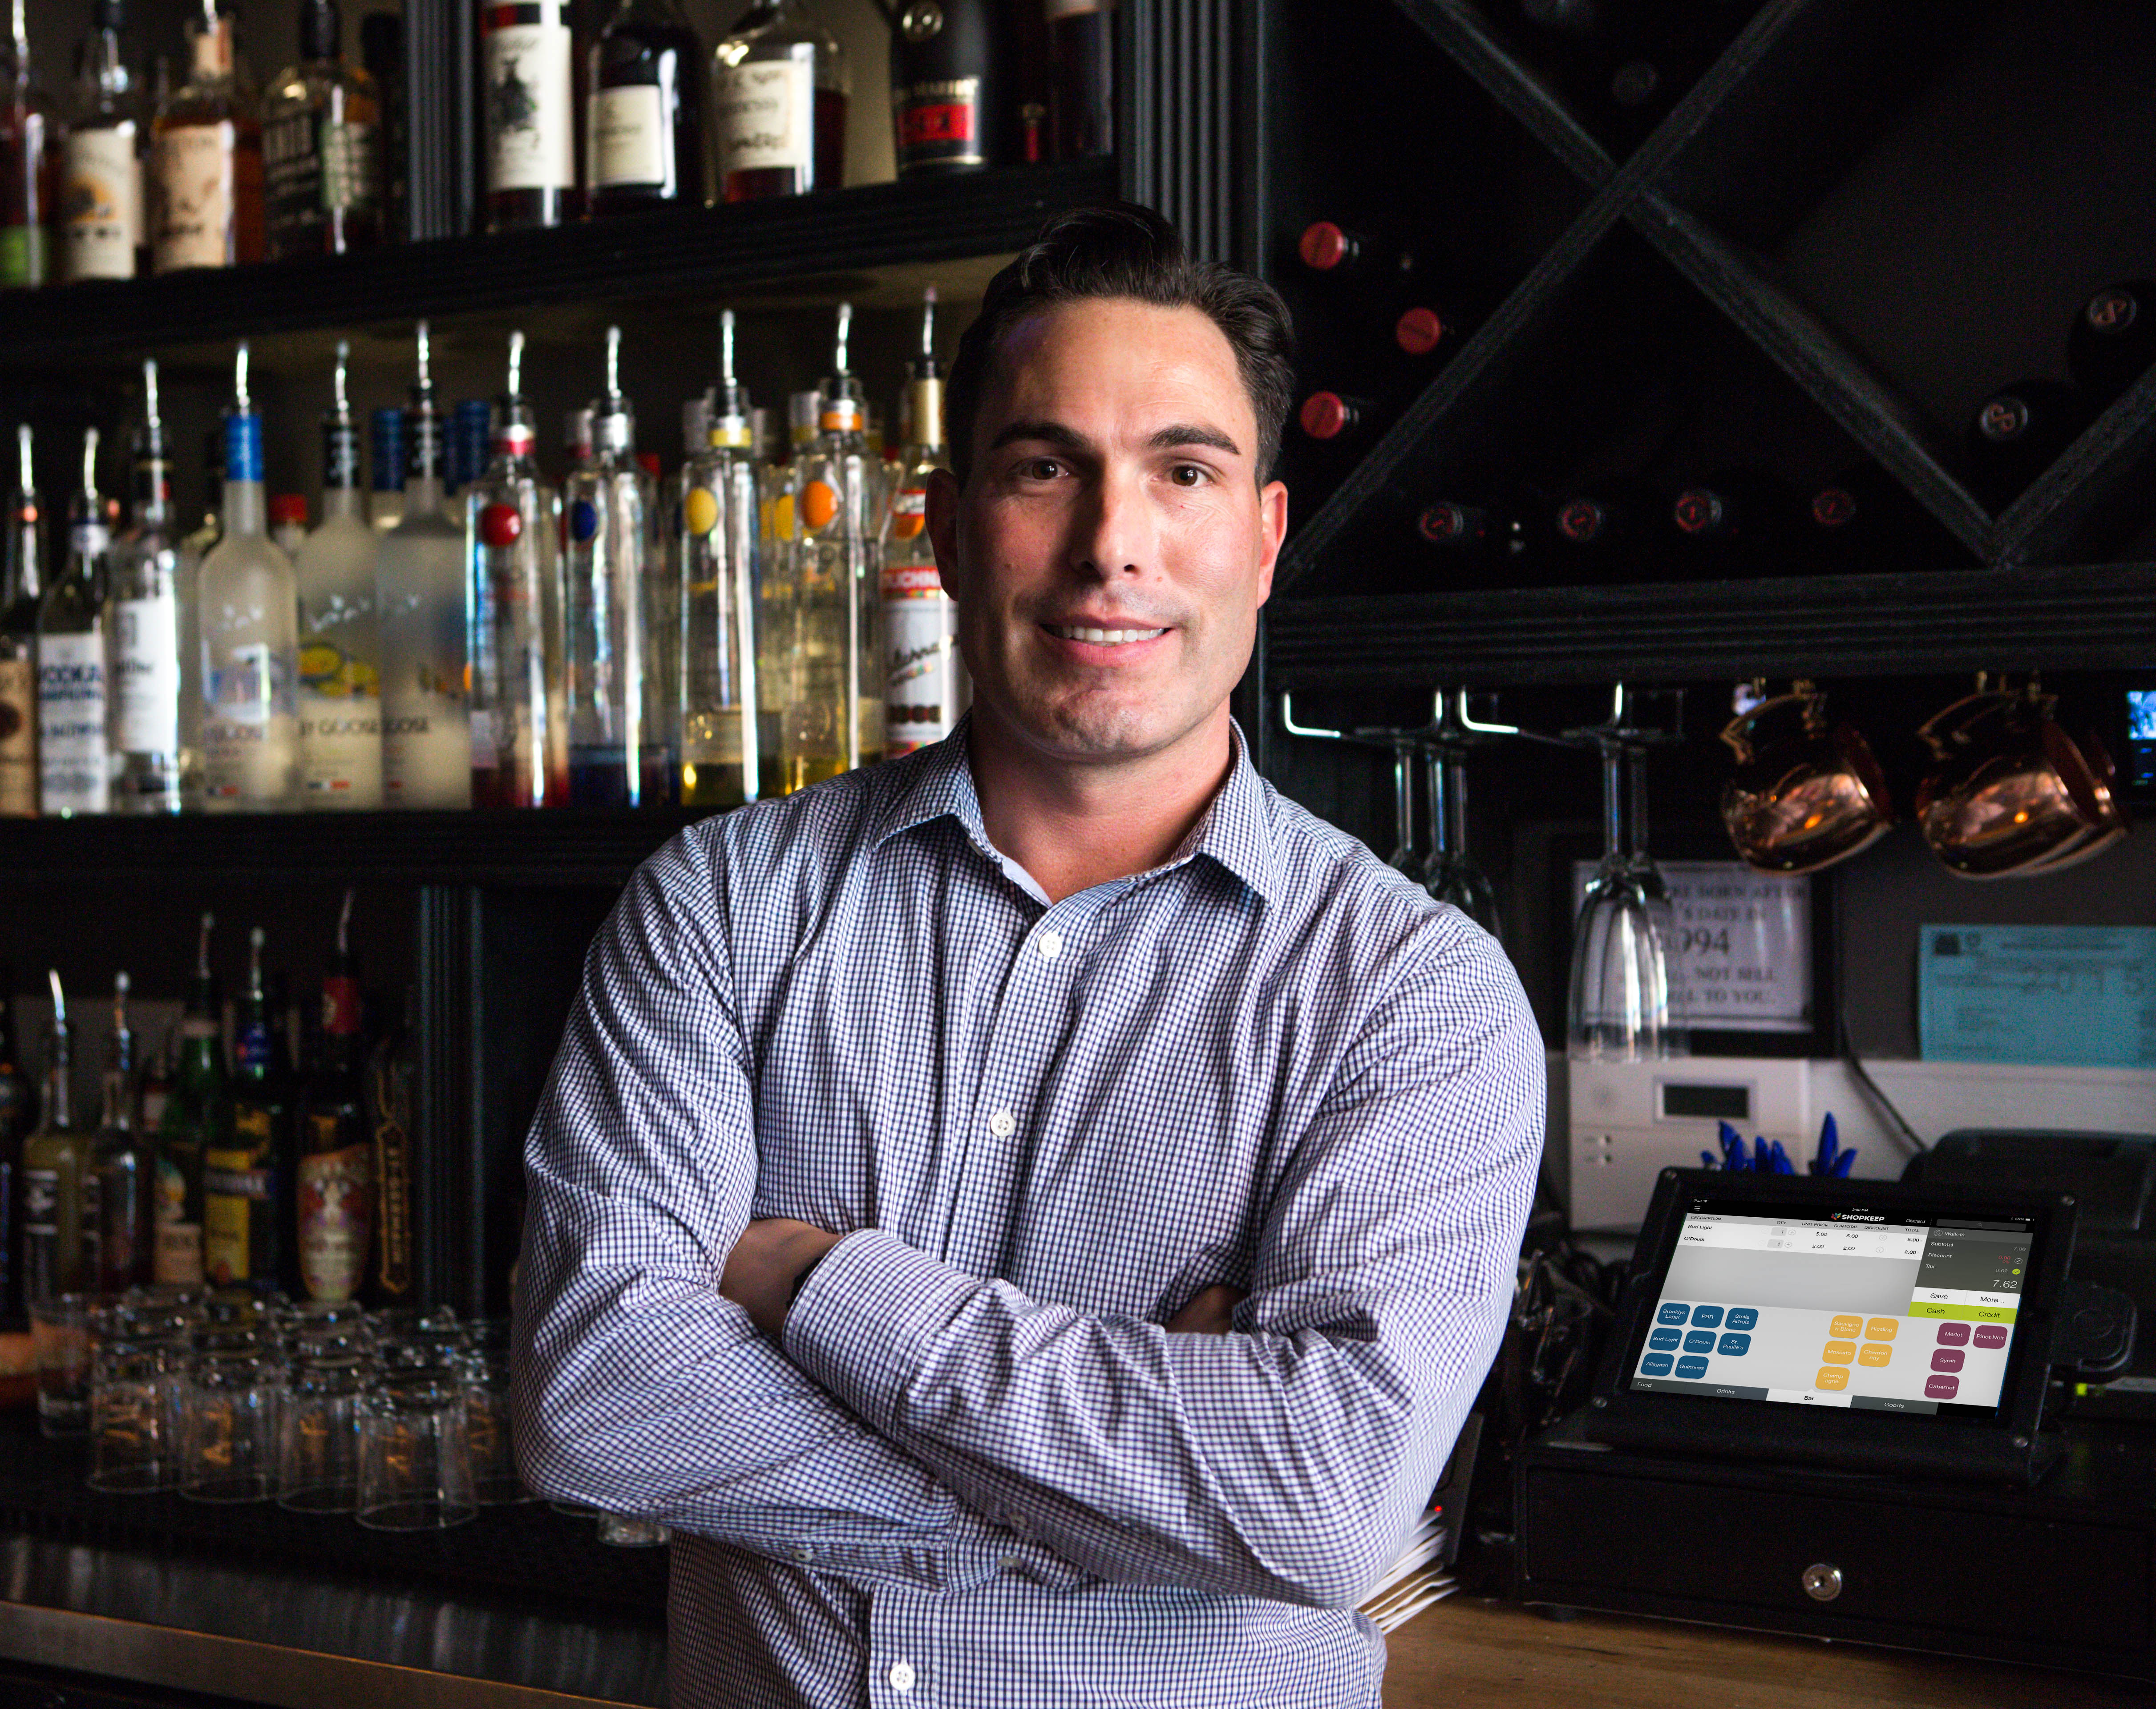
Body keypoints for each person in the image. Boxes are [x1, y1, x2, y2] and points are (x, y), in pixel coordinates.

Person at [513, 202, 1544, 1709]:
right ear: (943, 522)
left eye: (1182, 471)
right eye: (1045, 467)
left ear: (1262, 538)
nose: (1109, 545)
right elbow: (596, 1394)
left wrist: (818, 1286)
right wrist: (1132, 1504)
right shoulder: (723, 906)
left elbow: (1322, 1505)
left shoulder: (1410, 996)